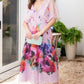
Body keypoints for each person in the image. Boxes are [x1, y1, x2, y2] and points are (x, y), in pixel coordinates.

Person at [18, 0, 59, 84]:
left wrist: (41, 32)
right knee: (34, 68)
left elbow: (53, 19)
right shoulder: (31, 2)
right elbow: (25, 22)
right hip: (32, 41)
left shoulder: (49, 1)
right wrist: (27, 31)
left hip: (45, 41)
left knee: (50, 66)